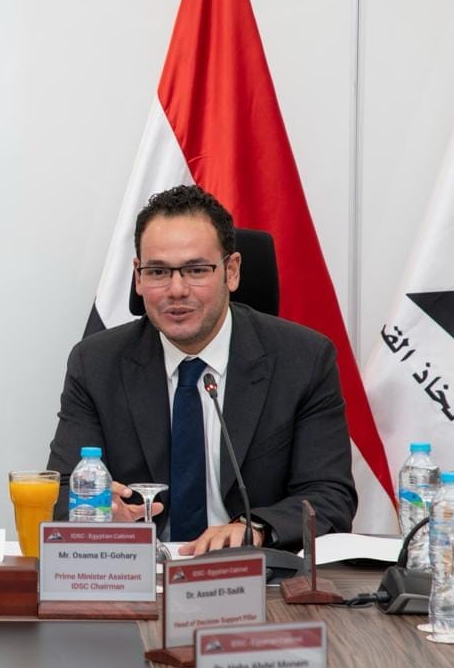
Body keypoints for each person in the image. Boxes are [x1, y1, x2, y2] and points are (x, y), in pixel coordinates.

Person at [46, 185, 356, 555]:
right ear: (138, 277)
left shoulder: (303, 360)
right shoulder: (96, 363)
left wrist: (256, 529)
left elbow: (330, 496)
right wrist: (96, 510)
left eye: (196, 270)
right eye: (158, 271)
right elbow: (61, 490)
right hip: (138, 570)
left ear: (232, 271)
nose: (177, 290)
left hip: (254, 573)